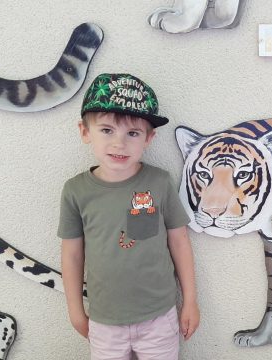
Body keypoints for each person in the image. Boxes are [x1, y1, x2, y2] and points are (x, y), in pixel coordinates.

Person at [58, 73, 199, 360]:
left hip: (159, 318)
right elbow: (72, 254)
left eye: (132, 133)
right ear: (85, 132)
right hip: (104, 321)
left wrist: (190, 301)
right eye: (107, 130)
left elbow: (180, 241)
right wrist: (75, 310)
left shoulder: (159, 183)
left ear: (149, 137)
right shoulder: (76, 191)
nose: (119, 144)